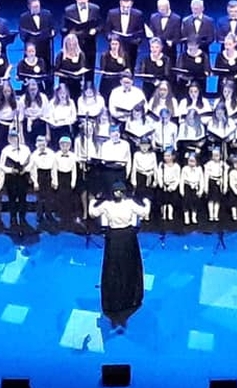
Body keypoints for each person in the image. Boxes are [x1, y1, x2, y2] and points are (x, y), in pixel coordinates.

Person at [88, 181, 151, 331]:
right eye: (116, 191)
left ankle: (124, 301)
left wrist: (91, 202)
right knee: (115, 270)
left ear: (123, 192)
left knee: (125, 269)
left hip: (123, 239)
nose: (118, 193)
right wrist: (147, 203)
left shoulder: (124, 204)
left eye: (120, 191)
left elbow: (92, 213)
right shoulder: (109, 205)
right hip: (120, 238)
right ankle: (120, 301)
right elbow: (93, 213)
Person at [62, 0, 101, 84]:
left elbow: (100, 25)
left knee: (90, 68)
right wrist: (70, 32)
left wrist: (95, 30)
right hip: (74, 45)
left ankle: (89, 87)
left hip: (90, 43)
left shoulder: (95, 9)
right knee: (74, 68)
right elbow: (63, 28)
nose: (83, 1)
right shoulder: (68, 10)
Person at [0, 129, 32, 229]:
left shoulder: (26, 149)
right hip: (11, 177)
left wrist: (25, 169)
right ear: (9, 139)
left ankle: (22, 218)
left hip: (23, 177)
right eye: (11, 138)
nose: (14, 140)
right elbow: (1, 165)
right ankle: (13, 219)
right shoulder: (5, 150)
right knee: (12, 199)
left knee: (22, 199)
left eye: (15, 137)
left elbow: (31, 162)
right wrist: (10, 170)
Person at [104, 0, 145, 66]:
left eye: (128, 7)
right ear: (120, 3)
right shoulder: (112, 13)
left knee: (130, 66)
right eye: (123, 7)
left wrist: (136, 41)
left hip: (131, 46)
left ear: (131, 4)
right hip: (116, 45)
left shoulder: (138, 14)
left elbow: (141, 31)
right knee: (114, 66)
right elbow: (107, 30)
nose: (125, 9)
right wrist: (111, 38)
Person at [17, 0, 55, 68]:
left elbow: (53, 28)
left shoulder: (47, 14)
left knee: (46, 67)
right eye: (34, 7)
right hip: (31, 49)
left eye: (38, 6)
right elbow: (22, 34)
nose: (37, 8)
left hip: (45, 48)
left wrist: (52, 33)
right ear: (29, 7)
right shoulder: (24, 17)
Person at [145, 0, 181, 64]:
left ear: (168, 7)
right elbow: (152, 33)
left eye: (163, 8)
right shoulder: (153, 17)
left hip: (169, 51)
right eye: (159, 8)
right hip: (156, 51)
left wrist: (172, 42)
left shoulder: (176, 19)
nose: (161, 10)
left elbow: (178, 36)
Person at [51, 136, 79, 224]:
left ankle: (68, 215)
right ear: (60, 145)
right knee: (60, 196)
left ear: (70, 146)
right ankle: (60, 214)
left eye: (67, 145)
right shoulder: (56, 155)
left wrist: (73, 182)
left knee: (69, 196)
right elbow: (54, 169)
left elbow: (74, 170)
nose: (65, 147)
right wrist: (55, 181)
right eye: (63, 145)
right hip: (60, 176)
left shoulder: (73, 156)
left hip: (68, 176)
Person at [54, 32, 89, 102]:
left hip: (77, 83)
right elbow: (55, 71)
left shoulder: (81, 54)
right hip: (64, 83)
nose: (71, 46)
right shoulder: (61, 55)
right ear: (66, 44)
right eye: (69, 44)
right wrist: (64, 75)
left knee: (76, 100)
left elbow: (83, 68)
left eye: (73, 44)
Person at [213, 33, 237, 102]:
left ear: (235, 44)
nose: (227, 47)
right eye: (226, 44)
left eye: (229, 44)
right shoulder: (220, 56)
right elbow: (217, 70)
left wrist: (232, 78)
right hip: (223, 82)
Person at [29, 135, 56, 222]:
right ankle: (39, 215)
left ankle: (49, 214)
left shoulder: (51, 153)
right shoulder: (34, 155)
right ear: (36, 144)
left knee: (49, 197)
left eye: (43, 144)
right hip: (39, 175)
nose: (42, 146)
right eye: (40, 144)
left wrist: (54, 180)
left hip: (48, 175)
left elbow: (54, 167)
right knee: (39, 197)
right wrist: (35, 182)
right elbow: (33, 170)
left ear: (46, 143)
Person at [99, 33, 132, 101]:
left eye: (116, 44)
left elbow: (128, 68)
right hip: (107, 83)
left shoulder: (124, 55)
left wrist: (127, 70)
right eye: (112, 44)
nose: (114, 46)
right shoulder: (105, 55)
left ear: (119, 45)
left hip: (119, 82)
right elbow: (103, 70)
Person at [0, 80, 21, 151]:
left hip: (11, 127)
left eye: (8, 91)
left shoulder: (16, 102)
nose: (7, 93)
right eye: (5, 91)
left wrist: (18, 131)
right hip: (0, 127)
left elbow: (17, 118)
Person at [19, 78, 49, 147]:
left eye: (34, 89)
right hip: (27, 126)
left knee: (40, 147)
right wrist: (21, 137)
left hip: (40, 125)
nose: (33, 92)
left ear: (38, 88)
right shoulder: (22, 99)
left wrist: (48, 134)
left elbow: (47, 118)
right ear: (27, 89)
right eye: (31, 90)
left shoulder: (43, 97)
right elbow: (20, 120)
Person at [155, 147, 182, 222]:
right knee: (163, 201)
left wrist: (173, 186)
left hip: (171, 186)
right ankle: (163, 214)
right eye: (165, 156)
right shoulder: (162, 165)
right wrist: (161, 184)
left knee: (171, 201)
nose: (166, 158)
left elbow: (177, 178)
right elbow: (159, 175)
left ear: (173, 156)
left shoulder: (176, 166)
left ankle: (170, 214)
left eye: (168, 156)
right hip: (163, 185)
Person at [180, 151, 206, 225]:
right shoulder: (185, 169)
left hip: (195, 187)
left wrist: (201, 190)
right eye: (190, 161)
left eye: (193, 161)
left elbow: (201, 180)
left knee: (195, 203)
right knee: (186, 202)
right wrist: (181, 190)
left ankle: (194, 217)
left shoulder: (199, 169)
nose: (191, 163)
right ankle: (186, 217)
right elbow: (182, 180)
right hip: (187, 186)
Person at [203, 146, 227, 222]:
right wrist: (205, 186)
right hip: (211, 182)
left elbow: (225, 175)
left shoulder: (223, 164)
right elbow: (206, 176)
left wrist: (225, 186)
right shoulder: (209, 164)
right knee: (211, 200)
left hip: (219, 182)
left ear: (220, 156)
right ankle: (211, 215)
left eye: (217, 155)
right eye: (214, 155)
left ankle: (216, 215)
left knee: (217, 200)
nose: (215, 157)